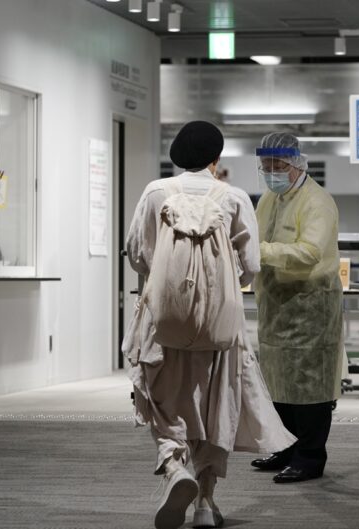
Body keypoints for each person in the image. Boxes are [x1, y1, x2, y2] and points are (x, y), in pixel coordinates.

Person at [124, 121, 295, 529]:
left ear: (177, 157)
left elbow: (137, 253)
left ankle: (173, 467)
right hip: (221, 325)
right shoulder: (234, 197)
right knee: (215, 404)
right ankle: (204, 503)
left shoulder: (155, 192)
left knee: (163, 399)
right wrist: (222, 287)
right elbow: (251, 264)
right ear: (216, 159)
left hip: (163, 319)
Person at [251, 132, 343, 484]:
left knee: (310, 388)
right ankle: (286, 448)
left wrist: (260, 252)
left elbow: (310, 252)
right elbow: (256, 238)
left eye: (276, 166)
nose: (271, 172)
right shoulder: (269, 200)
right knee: (279, 386)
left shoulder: (316, 200)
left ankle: (310, 457)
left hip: (309, 308)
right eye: (265, 167)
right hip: (276, 307)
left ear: (295, 164)